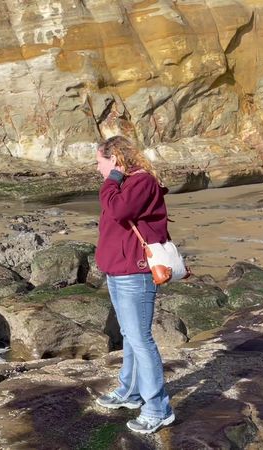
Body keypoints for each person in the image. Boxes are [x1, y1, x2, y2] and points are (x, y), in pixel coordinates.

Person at [93, 135, 175, 434]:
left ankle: (158, 408)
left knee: (140, 339)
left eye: (100, 160)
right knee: (129, 335)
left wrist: (112, 178)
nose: (97, 167)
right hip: (119, 270)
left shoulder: (140, 182)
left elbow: (118, 211)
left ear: (115, 158)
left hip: (135, 272)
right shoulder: (127, 183)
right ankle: (131, 391)